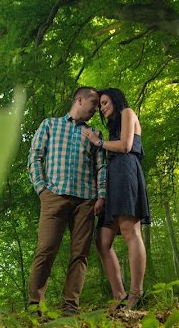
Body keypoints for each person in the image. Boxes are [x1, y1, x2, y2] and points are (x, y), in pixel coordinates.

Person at [26, 87, 107, 314]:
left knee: (79, 255)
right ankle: (34, 306)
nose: (96, 109)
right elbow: (35, 156)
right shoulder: (50, 124)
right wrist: (42, 189)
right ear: (79, 100)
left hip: (86, 201)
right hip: (54, 196)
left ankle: (70, 306)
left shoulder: (96, 134)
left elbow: (101, 167)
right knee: (45, 250)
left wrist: (101, 195)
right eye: (94, 103)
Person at [81, 88, 151, 310]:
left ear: (115, 99)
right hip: (112, 180)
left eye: (104, 102)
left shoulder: (128, 113)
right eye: (100, 105)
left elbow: (125, 146)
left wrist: (97, 141)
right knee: (102, 242)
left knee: (131, 232)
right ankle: (119, 295)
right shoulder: (111, 128)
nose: (102, 107)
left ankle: (136, 294)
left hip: (126, 172)